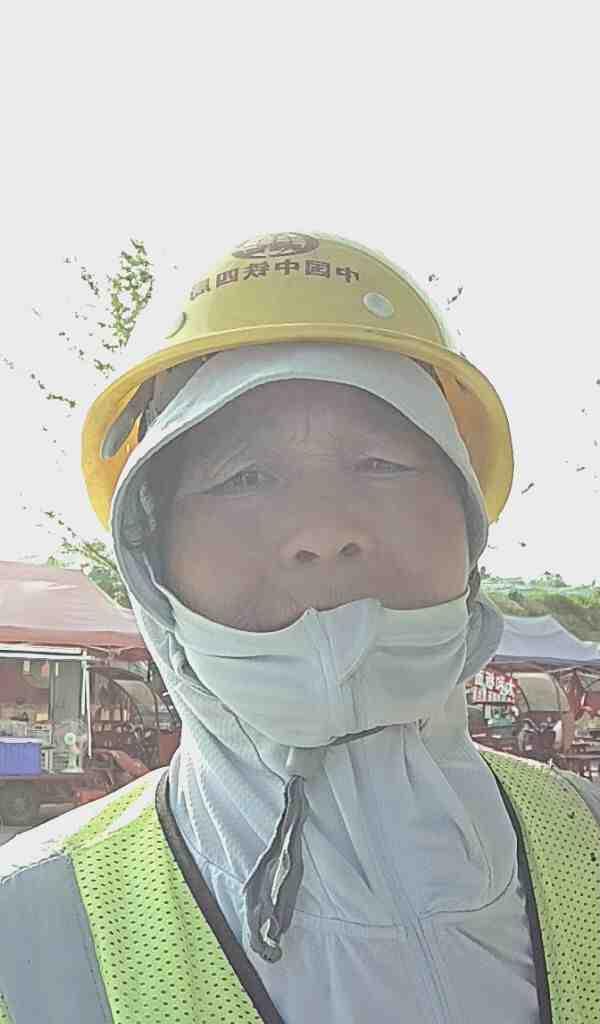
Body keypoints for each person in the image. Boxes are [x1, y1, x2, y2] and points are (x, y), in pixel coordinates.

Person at [1, 232, 599, 1023]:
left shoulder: (587, 836)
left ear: (468, 524)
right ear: (153, 559)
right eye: (243, 477)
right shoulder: (26, 926)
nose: (323, 529)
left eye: (382, 464)